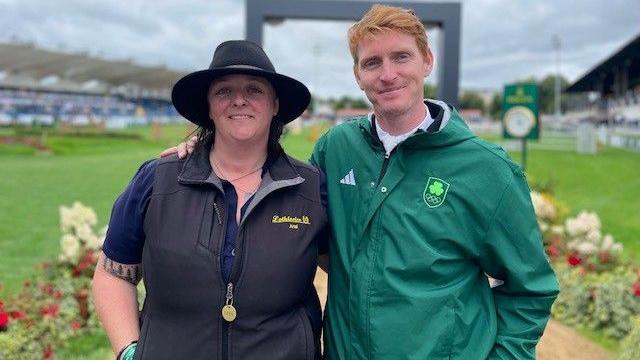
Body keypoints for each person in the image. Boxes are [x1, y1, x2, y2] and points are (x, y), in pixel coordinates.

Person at [169, 5, 559, 359]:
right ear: (358, 75)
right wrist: (206, 148)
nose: (388, 74)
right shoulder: (336, 148)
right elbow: (273, 187)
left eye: (401, 57)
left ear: (427, 61)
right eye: (372, 62)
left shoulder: (487, 170)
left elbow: (532, 289)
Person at [92, 40, 328, 360]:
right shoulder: (157, 181)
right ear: (209, 106)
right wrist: (130, 351)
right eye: (224, 91)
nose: (239, 100)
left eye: (255, 89)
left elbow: (349, 271)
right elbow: (113, 274)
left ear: (275, 104)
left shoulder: (311, 188)